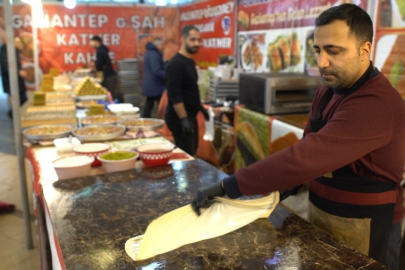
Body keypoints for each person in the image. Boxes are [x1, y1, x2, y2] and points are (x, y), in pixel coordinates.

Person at [192, 4, 404, 270]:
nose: (322, 61)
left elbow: (308, 156)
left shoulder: (375, 103)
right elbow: (308, 147)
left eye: (333, 51)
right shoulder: (328, 91)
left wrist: (230, 186)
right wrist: (282, 189)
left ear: (365, 51)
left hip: (369, 226)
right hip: (324, 216)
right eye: (318, 50)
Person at [165, 26, 209, 156]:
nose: (196, 43)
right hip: (180, 118)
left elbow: (189, 89)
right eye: (192, 39)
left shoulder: (189, 61)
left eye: (198, 40)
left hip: (190, 115)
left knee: (192, 151)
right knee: (185, 156)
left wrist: (200, 107)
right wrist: (184, 120)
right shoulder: (175, 64)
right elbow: (175, 95)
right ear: (183, 39)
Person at [0, 37, 27, 119]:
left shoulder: (15, 50)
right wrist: (19, 71)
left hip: (18, 80)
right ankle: (12, 114)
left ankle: (13, 114)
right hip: (11, 80)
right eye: (17, 42)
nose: (18, 44)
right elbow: (5, 65)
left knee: (23, 98)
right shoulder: (5, 50)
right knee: (19, 98)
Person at [142, 37, 165, 118]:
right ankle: (163, 123)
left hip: (150, 85)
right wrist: (168, 76)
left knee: (149, 105)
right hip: (155, 86)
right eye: (162, 45)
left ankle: (145, 122)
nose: (163, 47)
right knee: (162, 106)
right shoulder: (154, 54)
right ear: (157, 45)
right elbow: (157, 70)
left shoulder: (149, 53)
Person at [90, 36, 118, 100]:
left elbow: (99, 66)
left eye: (92, 42)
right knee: (112, 93)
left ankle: (114, 107)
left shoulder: (100, 51)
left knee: (111, 94)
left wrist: (95, 65)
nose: (91, 45)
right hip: (110, 74)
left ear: (97, 42)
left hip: (108, 75)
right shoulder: (104, 49)